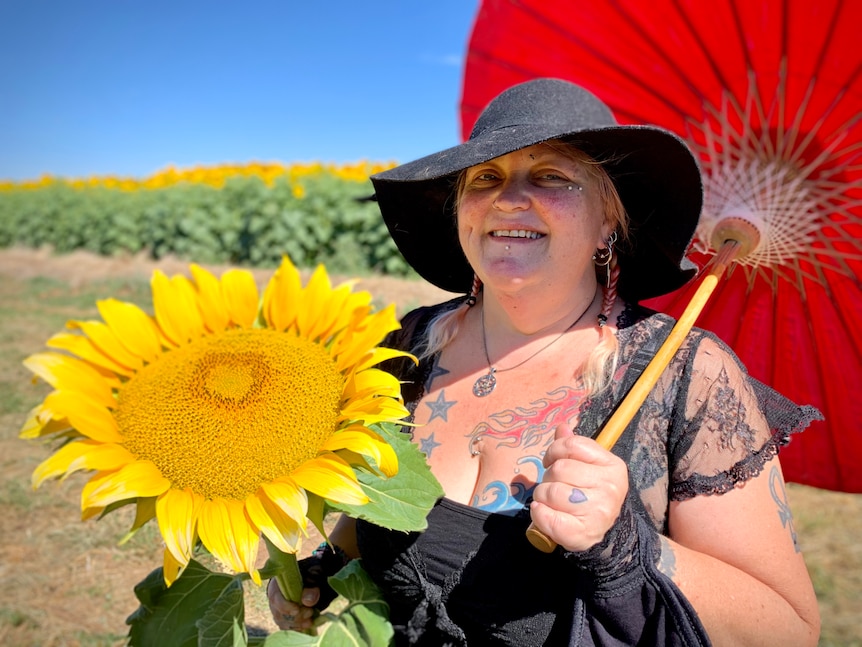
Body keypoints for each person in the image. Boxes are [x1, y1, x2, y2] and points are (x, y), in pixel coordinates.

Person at [267, 78, 822, 646]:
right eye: (486, 178)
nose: (508, 198)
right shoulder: (409, 344)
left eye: (551, 175)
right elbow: (383, 501)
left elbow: (788, 631)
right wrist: (328, 567)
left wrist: (628, 547)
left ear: (609, 221)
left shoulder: (689, 377)